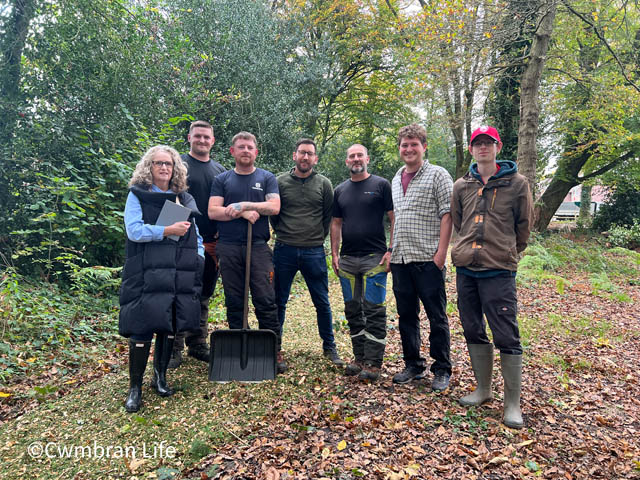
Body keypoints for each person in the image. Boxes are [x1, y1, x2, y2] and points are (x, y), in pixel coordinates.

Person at [451, 125, 533, 429]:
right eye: (478, 143)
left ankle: (512, 402)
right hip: (466, 268)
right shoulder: (462, 185)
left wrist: (508, 250)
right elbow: (459, 222)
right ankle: (483, 390)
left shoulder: (517, 183)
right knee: (472, 326)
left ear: (497, 146)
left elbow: (524, 226)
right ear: (472, 149)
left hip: (499, 269)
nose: (483, 147)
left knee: (505, 332)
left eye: (488, 143)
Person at [119, 145, 205, 412]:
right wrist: (167, 229)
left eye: (169, 164)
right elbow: (134, 231)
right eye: (158, 163)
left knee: (169, 323)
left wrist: (199, 255)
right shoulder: (138, 196)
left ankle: (161, 377)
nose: (164, 168)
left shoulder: (184, 198)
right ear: (149, 166)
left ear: (175, 168)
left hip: (178, 269)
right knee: (142, 325)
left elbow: (195, 234)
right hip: (146, 270)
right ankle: (135, 387)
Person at [208, 132, 285, 373]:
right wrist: (240, 214)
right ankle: (237, 350)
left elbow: (274, 207)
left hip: (259, 248)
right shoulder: (222, 179)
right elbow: (213, 211)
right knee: (234, 299)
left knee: (265, 299)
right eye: (241, 147)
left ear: (256, 152)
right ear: (232, 151)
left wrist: (246, 205)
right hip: (229, 247)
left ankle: (273, 349)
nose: (245, 150)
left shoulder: (267, 177)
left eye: (250, 147)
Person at [390, 123, 454, 391]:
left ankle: (442, 368)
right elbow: (396, 218)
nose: (409, 149)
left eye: (414, 144)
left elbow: (447, 214)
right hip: (401, 259)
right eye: (404, 144)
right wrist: (390, 249)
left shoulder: (438, 175)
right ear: (400, 149)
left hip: (428, 259)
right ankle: (413, 364)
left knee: (436, 315)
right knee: (406, 315)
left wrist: (441, 254)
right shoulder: (396, 178)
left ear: (424, 147)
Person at [270, 138, 343, 369]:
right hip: (284, 249)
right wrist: (284, 232)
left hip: (313, 251)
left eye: (310, 154)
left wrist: (316, 239)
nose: (305, 157)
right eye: (302, 153)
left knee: (322, 301)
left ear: (315, 158)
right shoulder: (279, 181)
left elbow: (328, 217)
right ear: (295, 156)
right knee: (278, 301)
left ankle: (329, 346)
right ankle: (275, 347)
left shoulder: (324, 184)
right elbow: (274, 214)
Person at [330, 144, 394, 382]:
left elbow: (393, 217)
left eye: (359, 155)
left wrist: (391, 249)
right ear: (347, 161)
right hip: (347, 259)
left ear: (367, 158)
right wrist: (334, 254)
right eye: (351, 156)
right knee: (353, 310)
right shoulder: (340, 190)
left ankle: (374, 363)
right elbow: (336, 223)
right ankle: (359, 358)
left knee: (374, 311)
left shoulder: (381, 185)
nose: (356, 159)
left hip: (374, 259)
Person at [169, 120, 225, 369]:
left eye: (207, 137)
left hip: (212, 243)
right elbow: (170, 199)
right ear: (189, 138)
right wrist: (171, 236)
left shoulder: (220, 171)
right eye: (198, 136)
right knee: (178, 292)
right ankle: (173, 347)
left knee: (204, 293)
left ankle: (197, 342)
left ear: (213, 141)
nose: (202, 141)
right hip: (182, 239)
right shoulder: (177, 165)